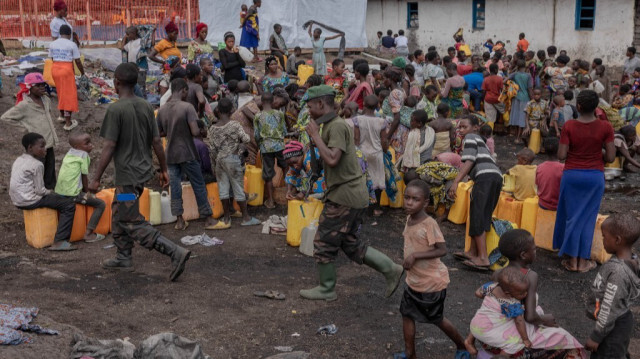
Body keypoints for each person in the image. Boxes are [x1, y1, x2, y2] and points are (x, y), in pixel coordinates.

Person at [299, 85, 404, 301]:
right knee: (349, 242)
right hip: (350, 194)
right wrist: (313, 139)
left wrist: (315, 136)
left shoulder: (335, 126)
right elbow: (322, 166)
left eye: (310, 106)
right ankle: (390, 268)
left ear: (320, 104)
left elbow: (332, 159)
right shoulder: (329, 125)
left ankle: (327, 288)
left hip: (344, 196)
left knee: (323, 242)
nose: (308, 111)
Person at [88, 63, 191, 281]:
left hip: (128, 177)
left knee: (131, 219)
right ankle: (123, 256)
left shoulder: (115, 110)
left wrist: (95, 178)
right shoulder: (145, 106)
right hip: (138, 176)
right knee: (120, 209)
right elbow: (156, 141)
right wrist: (163, 169)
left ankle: (175, 252)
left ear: (116, 82)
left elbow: (109, 146)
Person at [466, 230, 587, 358]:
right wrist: (546, 320)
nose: (536, 252)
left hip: (492, 330)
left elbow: (490, 303)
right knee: (565, 339)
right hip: (514, 325)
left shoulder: (498, 273)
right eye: (534, 249)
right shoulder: (530, 276)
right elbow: (529, 317)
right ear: (523, 255)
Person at [397, 179, 470, 359]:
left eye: (415, 199)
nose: (409, 202)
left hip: (431, 283)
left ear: (425, 203)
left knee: (437, 319)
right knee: (407, 315)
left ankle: (462, 346)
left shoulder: (429, 224)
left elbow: (442, 249)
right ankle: (410, 353)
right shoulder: (409, 219)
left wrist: (414, 256)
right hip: (414, 281)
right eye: (407, 198)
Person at [553, 90, 615, 273]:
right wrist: (596, 152)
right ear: (596, 107)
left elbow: (561, 155)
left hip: (572, 175)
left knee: (571, 217)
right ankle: (583, 262)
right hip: (594, 176)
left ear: (578, 106)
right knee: (587, 219)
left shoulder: (569, 126)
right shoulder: (606, 127)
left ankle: (572, 261)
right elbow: (611, 157)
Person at [157, 78, 216, 230]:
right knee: (198, 183)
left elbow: (159, 133)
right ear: (184, 90)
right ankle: (208, 217)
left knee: (175, 186)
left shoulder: (162, 109)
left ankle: (179, 220)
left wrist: (171, 129)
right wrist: (201, 130)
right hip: (187, 151)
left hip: (170, 153)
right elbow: (195, 131)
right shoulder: (187, 107)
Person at [449, 115, 502, 270]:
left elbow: (470, 160)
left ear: (475, 127)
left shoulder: (471, 137)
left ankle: (483, 258)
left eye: (464, 126)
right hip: (494, 177)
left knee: (478, 214)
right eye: (459, 127)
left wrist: (456, 182)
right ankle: (472, 252)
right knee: (480, 214)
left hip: (485, 178)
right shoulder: (480, 141)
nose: (461, 130)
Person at [585, 214, 640, 358]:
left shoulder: (618, 272)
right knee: (617, 351)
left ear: (617, 240)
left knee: (608, 353)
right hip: (616, 320)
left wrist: (596, 337)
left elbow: (610, 307)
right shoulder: (628, 260)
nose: (602, 240)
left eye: (604, 237)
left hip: (612, 324)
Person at [11, 133, 76, 251]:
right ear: (30, 147)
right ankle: (59, 241)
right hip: (30, 200)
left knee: (57, 200)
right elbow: (40, 191)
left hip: (17, 199)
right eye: (41, 146)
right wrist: (51, 192)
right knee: (68, 204)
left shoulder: (19, 159)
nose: (45, 149)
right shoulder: (37, 164)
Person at [209, 98, 260, 228]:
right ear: (232, 110)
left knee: (224, 189)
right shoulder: (235, 125)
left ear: (218, 111)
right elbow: (246, 138)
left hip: (220, 160)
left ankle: (226, 218)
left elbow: (212, 149)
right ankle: (246, 217)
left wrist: (215, 164)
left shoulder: (213, 128)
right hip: (233, 159)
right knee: (238, 188)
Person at [1, 73, 59, 190]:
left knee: (50, 169)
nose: (42, 87)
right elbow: (5, 118)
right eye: (38, 86)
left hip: (48, 142)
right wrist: (26, 129)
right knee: (37, 170)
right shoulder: (24, 105)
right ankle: (37, 193)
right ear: (29, 87)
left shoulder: (46, 99)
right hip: (37, 146)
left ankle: (50, 190)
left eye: (43, 84)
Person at [54, 132, 106, 243]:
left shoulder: (70, 153)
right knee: (101, 204)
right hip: (73, 194)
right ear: (77, 146)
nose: (91, 145)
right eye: (87, 144)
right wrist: (87, 193)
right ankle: (88, 234)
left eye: (90, 142)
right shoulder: (84, 155)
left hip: (60, 191)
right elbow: (84, 177)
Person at [350, 95, 388, 214]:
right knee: (377, 179)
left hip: (362, 152)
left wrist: (355, 152)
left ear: (364, 105)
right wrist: (385, 151)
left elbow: (356, 138)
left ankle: (363, 205)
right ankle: (376, 207)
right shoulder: (382, 122)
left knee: (363, 178)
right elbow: (384, 140)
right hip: (377, 153)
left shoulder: (358, 120)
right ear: (378, 106)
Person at [254, 92, 287, 209]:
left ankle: (271, 201)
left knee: (268, 174)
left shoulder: (258, 116)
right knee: (285, 168)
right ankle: (289, 194)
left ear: (262, 102)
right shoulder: (280, 114)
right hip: (279, 146)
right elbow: (284, 130)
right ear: (273, 101)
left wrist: (260, 144)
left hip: (266, 147)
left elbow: (256, 135)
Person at [49, 24, 84, 131]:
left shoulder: (52, 44)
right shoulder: (72, 44)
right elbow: (77, 60)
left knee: (60, 92)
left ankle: (62, 116)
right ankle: (68, 123)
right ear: (69, 34)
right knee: (68, 95)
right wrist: (82, 73)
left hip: (55, 69)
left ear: (60, 33)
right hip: (66, 70)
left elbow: (51, 58)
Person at [120, 25, 155, 98]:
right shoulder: (130, 44)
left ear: (133, 33)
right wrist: (125, 38)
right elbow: (122, 48)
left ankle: (142, 101)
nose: (127, 36)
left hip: (141, 68)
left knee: (141, 86)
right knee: (134, 86)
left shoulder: (141, 41)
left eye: (128, 34)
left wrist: (153, 32)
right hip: (132, 69)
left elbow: (152, 44)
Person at [402, 110, 435, 176]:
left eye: (412, 121)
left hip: (416, 167)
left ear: (419, 124)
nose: (410, 122)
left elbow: (408, 151)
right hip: (428, 164)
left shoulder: (413, 135)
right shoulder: (431, 131)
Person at [508, 60, 533, 143]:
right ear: (525, 66)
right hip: (525, 98)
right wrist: (532, 99)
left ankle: (516, 137)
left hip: (516, 97)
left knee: (515, 116)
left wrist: (512, 86)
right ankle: (519, 137)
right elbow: (530, 89)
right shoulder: (528, 75)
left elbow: (504, 81)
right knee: (522, 117)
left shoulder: (514, 74)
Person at [535, 138, 564, 211]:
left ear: (544, 150)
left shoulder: (539, 167)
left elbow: (538, 186)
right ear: (559, 150)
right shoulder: (563, 168)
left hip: (543, 204)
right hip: (558, 206)